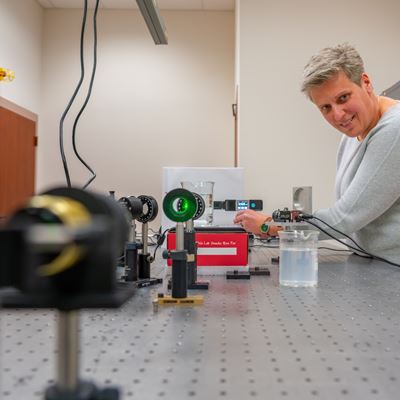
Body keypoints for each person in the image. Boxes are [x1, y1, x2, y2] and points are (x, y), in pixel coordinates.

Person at [234, 43, 400, 263]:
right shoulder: (354, 134)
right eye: (326, 107)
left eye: (343, 98)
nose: (339, 115)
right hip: (370, 263)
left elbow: (344, 218)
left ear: (366, 83)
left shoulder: (394, 129)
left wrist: (269, 224)